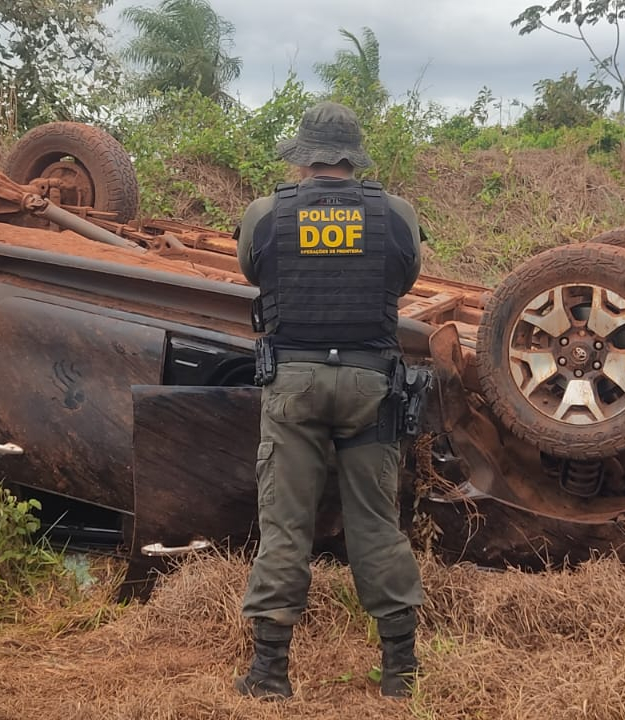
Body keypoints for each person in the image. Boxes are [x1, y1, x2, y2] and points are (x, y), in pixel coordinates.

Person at [232, 101, 426, 701]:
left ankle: (269, 674)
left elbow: (252, 272)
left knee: (284, 526)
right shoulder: (395, 214)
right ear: (354, 157)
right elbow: (405, 278)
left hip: (294, 385)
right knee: (376, 525)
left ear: (305, 156)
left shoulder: (266, 214)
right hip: (371, 387)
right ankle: (400, 671)